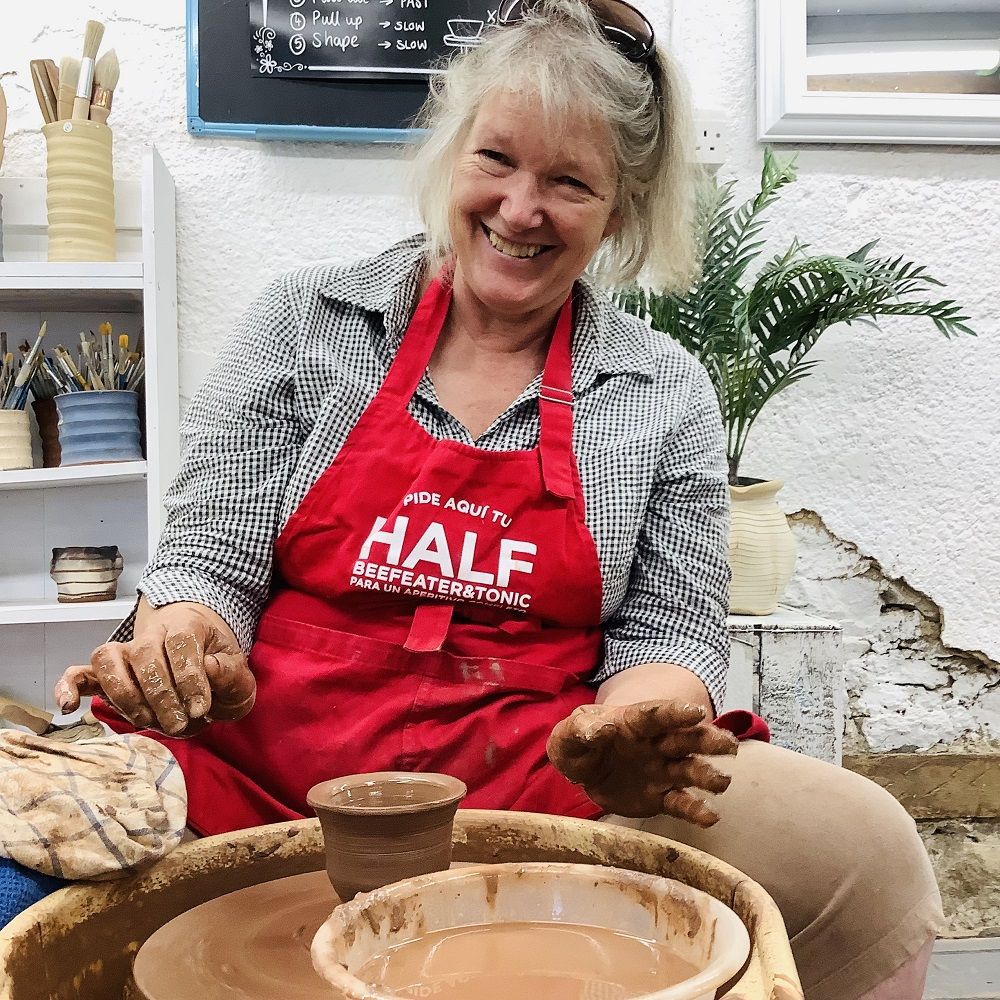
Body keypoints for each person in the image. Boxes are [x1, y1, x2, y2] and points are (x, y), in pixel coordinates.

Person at [55, 1, 942, 996]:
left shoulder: (661, 388)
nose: (522, 210)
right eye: (495, 161)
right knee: (28, 869)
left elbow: (667, 633)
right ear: (448, 154)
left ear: (620, 208)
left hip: (539, 777)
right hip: (260, 765)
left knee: (868, 857)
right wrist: (186, 631)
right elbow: (210, 551)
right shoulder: (308, 320)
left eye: (568, 181)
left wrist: (629, 733)